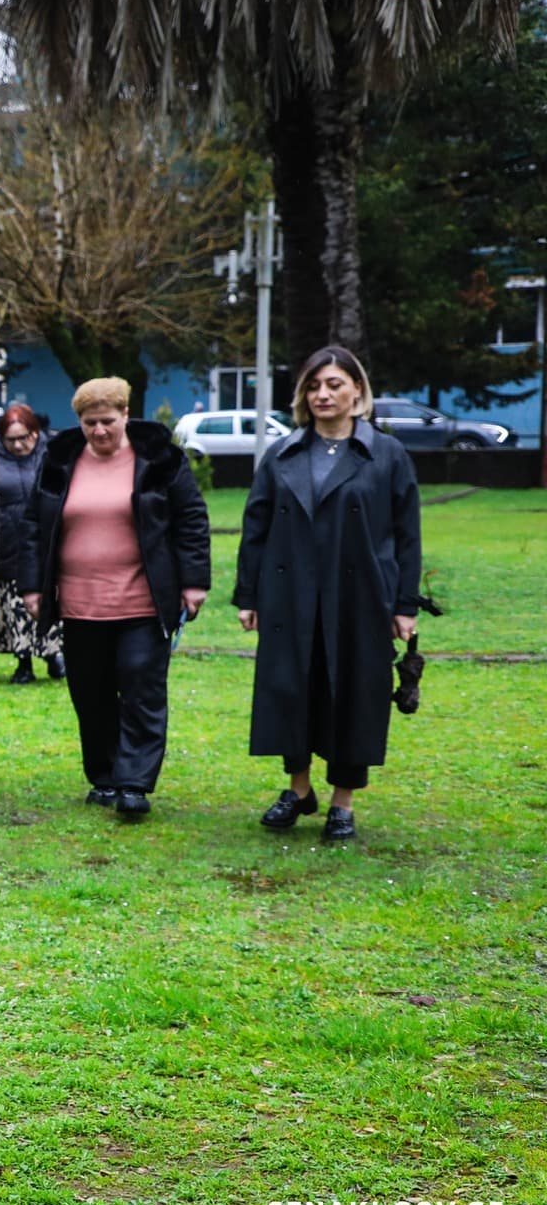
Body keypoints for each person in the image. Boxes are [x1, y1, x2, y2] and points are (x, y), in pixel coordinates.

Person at [237, 346, 422, 842]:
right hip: (289, 594)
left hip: (361, 596)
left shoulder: (386, 455)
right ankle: (299, 790)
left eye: (334, 384)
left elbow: (408, 534)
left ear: (357, 390)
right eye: (314, 386)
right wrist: (248, 595)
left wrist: (405, 605)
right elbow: (254, 527)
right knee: (289, 687)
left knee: (356, 692)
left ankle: (343, 800)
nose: (323, 394)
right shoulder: (283, 454)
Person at [20, 377, 211, 820]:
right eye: (90, 423)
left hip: (144, 601)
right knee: (91, 693)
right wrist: (33, 586)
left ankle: (134, 783)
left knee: (142, 687)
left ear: (126, 415)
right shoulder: (58, 462)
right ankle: (104, 777)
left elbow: (192, 520)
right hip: (79, 603)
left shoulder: (160, 460)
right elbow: (33, 526)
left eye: (108, 421)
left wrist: (194, 582)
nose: (99, 431)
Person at [0, 403, 65, 684]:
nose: (18, 445)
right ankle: (23, 661)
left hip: (46, 542)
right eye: (11, 440)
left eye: (24, 437)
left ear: (35, 432)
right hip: (7, 543)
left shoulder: (53, 455)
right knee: (14, 606)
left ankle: (53, 654)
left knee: (47, 600)